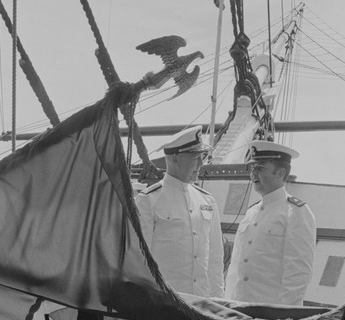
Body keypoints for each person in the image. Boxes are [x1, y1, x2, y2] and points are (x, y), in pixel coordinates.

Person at [135, 126, 224, 297]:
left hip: (202, 304)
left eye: (202, 157)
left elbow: (215, 260)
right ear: (175, 159)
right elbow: (139, 261)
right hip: (167, 304)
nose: (201, 163)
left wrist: (219, 302)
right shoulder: (148, 201)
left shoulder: (207, 201)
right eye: (196, 157)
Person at [225, 139, 316, 306]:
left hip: (270, 316)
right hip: (238, 313)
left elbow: (297, 274)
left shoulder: (296, 212)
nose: (253, 174)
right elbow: (235, 269)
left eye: (259, 168)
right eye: (252, 168)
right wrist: (227, 306)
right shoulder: (251, 213)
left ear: (280, 173)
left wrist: (282, 319)